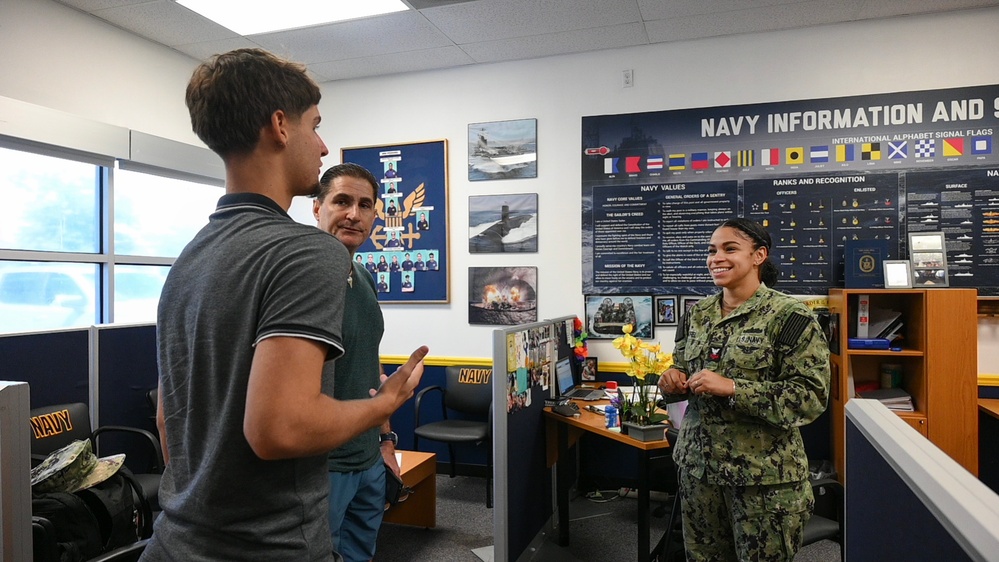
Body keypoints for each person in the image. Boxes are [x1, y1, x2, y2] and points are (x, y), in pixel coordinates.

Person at [144, 48, 428, 562]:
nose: (321, 147)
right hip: (270, 547)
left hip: (178, 541)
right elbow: (280, 428)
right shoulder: (307, 250)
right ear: (279, 125)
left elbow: (169, 415)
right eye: (315, 126)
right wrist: (384, 405)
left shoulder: (190, 256)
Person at [657, 218, 829, 562]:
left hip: (763, 481)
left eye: (729, 248)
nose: (716, 257)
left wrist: (733, 388)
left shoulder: (789, 316)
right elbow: (681, 371)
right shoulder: (697, 315)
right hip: (699, 473)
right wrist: (671, 379)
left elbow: (809, 398)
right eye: (711, 250)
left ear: (758, 256)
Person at [313, 163, 402, 562]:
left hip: (369, 459)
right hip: (323, 468)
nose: (354, 214)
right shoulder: (304, 278)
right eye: (342, 201)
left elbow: (370, 364)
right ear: (317, 208)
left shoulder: (363, 277)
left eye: (365, 205)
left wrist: (385, 441)